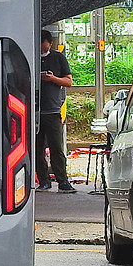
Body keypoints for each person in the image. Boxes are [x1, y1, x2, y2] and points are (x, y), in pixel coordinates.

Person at [36, 29, 76, 193]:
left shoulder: (58, 57)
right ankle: (43, 180)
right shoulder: (31, 56)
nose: (41, 48)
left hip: (52, 110)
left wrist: (52, 79)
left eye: (44, 45)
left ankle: (62, 180)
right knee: (37, 148)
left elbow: (68, 81)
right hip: (35, 111)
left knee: (56, 147)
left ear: (50, 43)